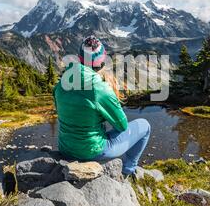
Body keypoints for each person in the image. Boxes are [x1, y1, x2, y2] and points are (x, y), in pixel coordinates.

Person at [53, 36, 150, 176]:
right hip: (92, 151)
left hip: (65, 148)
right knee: (145, 126)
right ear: (102, 61)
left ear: (80, 58)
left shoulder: (61, 83)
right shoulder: (100, 89)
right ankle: (128, 170)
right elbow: (122, 126)